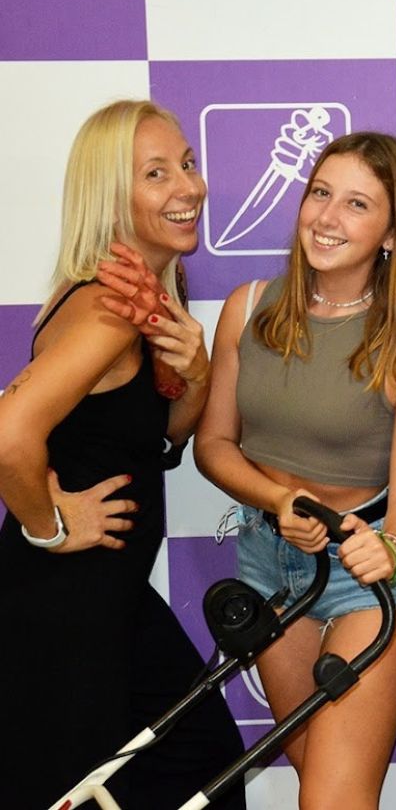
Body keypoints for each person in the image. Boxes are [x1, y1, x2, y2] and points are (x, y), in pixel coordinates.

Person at [194, 132, 396, 810]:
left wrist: (391, 547)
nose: (328, 217)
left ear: (392, 233)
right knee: (323, 783)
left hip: (369, 576)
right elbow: (213, 444)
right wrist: (278, 500)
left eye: (357, 204)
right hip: (269, 564)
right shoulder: (248, 307)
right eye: (320, 193)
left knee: (333, 799)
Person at [0, 100, 245, 809]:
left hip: (113, 605)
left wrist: (195, 374)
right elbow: (10, 436)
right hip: (62, 613)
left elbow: (160, 441)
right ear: (111, 197)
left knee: (202, 765)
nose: (189, 187)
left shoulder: (144, 304)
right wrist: (49, 527)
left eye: (188, 164)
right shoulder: (106, 309)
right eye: (156, 173)